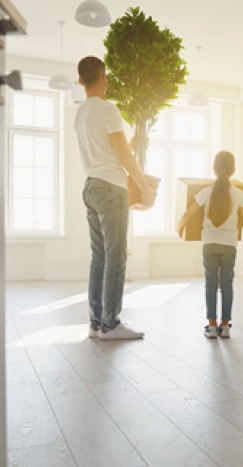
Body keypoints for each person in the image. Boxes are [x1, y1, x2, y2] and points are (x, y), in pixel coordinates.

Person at [75, 56, 155, 340]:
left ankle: (96, 322)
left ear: (81, 81)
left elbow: (111, 150)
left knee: (99, 257)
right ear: (104, 78)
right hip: (111, 188)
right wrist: (144, 185)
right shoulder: (108, 109)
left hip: (91, 187)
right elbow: (122, 156)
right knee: (116, 256)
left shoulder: (81, 113)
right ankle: (111, 324)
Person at [177, 151, 243, 338]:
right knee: (226, 284)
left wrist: (180, 228)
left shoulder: (206, 192)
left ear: (214, 169)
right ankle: (225, 326)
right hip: (229, 244)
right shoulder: (238, 194)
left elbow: (187, 214)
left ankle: (211, 326)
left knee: (210, 284)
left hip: (209, 243)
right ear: (233, 170)